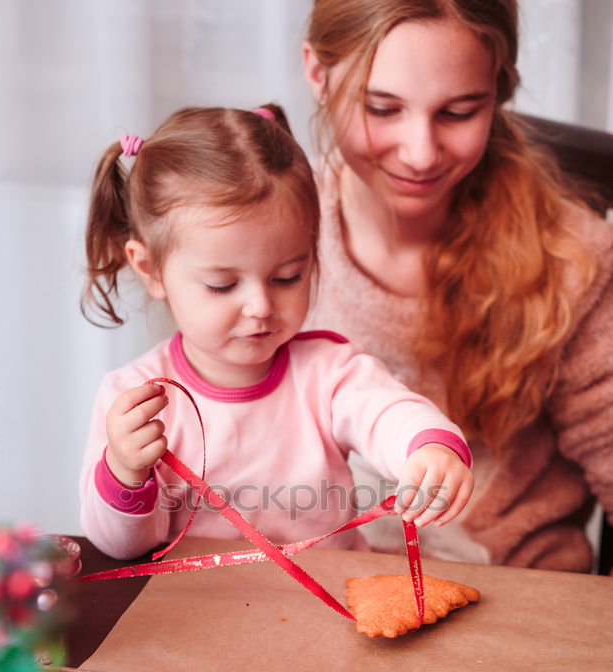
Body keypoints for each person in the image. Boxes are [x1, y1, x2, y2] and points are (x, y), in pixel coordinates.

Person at [79, 104, 473, 560]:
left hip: (331, 604)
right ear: (150, 269)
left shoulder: (329, 373)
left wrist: (427, 448)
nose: (261, 307)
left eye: (287, 277)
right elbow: (121, 546)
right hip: (196, 616)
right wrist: (125, 472)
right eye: (223, 285)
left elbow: (386, 412)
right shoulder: (133, 400)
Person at [302, 0, 613, 572]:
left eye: (459, 112)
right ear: (318, 75)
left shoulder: (573, 261)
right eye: (382, 108)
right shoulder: (268, 243)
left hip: (520, 593)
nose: (420, 153)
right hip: (319, 584)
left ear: (498, 91)